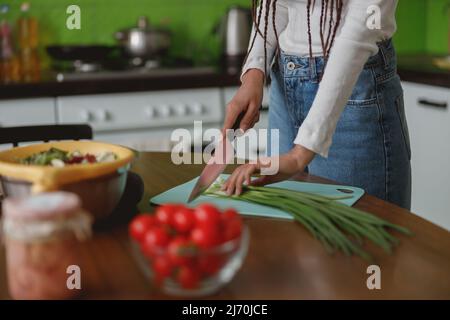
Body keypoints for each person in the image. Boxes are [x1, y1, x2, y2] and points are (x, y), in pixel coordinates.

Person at [221, 0, 411, 209]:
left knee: (357, 236)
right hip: (285, 86)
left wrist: (298, 156)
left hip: (353, 91)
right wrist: (253, 73)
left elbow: (360, 31)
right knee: (289, 235)